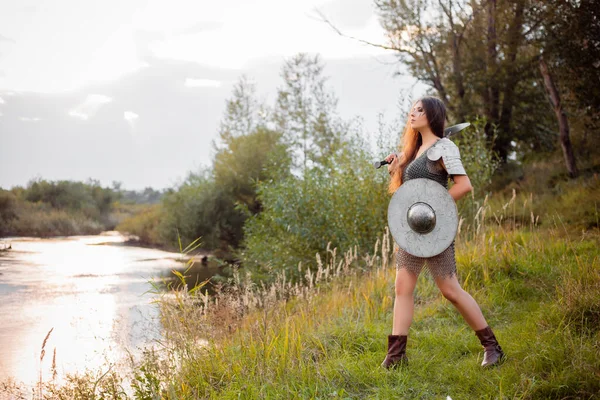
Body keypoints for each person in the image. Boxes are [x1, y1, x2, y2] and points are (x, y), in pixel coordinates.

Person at [381, 96, 505, 369]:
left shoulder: (444, 147)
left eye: (420, 110)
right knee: (402, 287)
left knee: (449, 290)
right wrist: (395, 169)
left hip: (435, 230)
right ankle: (396, 357)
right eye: (413, 109)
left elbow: (464, 186)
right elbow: (404, 191)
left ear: (432, 115)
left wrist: (436, 208)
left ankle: (492, 347)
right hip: (412, 230)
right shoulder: (412, 150)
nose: (413, 113)